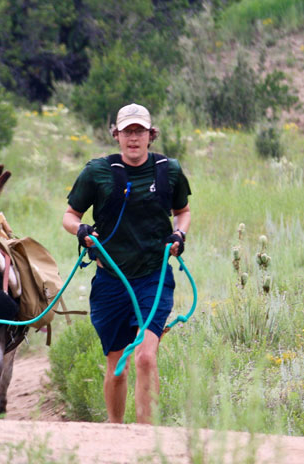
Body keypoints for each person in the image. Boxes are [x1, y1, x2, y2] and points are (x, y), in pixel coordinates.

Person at [62, 103, 191, 424]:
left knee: (146, 358)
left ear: (151, 135)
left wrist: (179, 234)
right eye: (127, 132)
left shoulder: (168, 170)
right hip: (110, 281)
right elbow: (69, 215)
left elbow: (183, 212)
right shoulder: (97, 172)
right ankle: (116, 433)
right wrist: (81, 230)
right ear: (116, 135)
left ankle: (146, 440)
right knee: (117, 366)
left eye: (140, 131)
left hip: (154, 278)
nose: (134, 138)